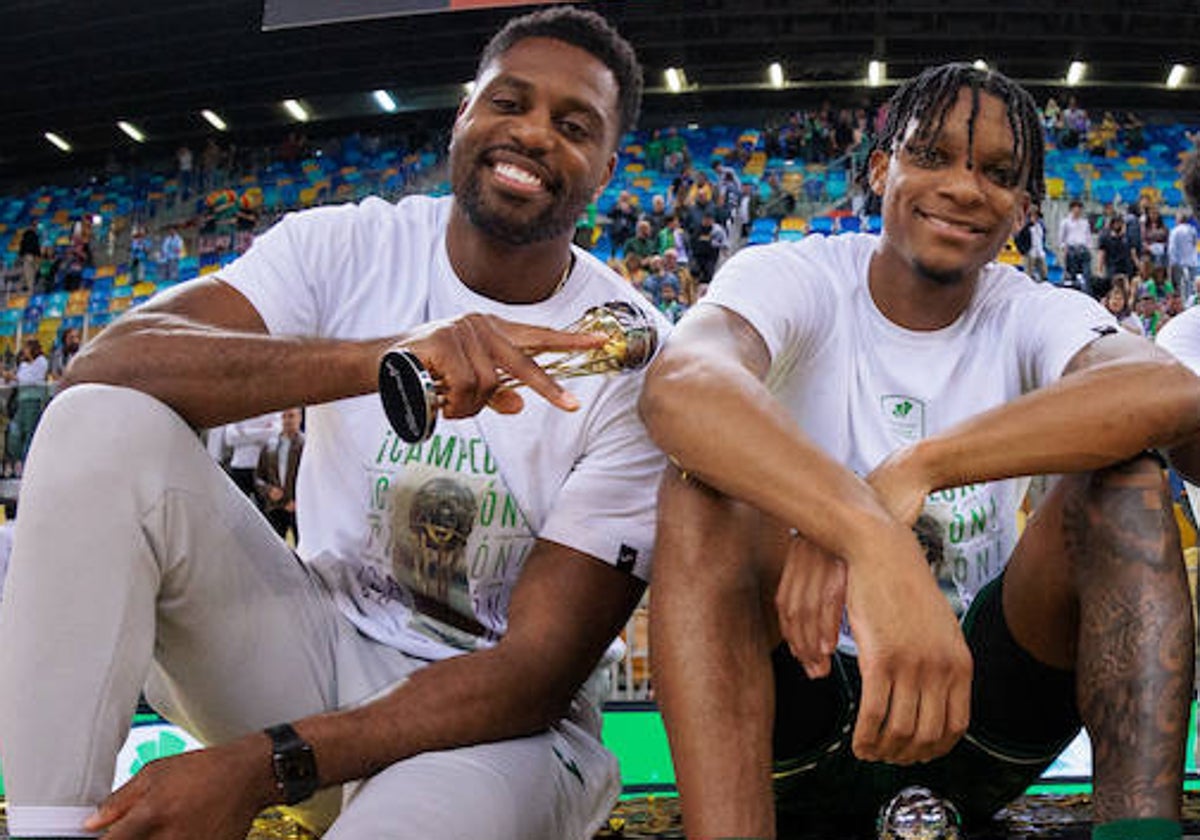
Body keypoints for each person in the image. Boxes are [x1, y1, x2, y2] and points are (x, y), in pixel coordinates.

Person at [0, 8, 665, 840]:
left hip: (508, 733)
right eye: (509, 102)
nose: (532, 134)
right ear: (464, 114)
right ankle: (47, 829)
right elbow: (104, 363)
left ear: (606, 167)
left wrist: (261, 762)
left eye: (574, 126)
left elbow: (532, 676)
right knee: (98, 423)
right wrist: (386, 358)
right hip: (316, 655)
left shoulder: (631, 354)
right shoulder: (348, 245)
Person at [639, 63, 1199, 840]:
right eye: (932, 156)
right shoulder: (793, 275)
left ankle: (1140, 834)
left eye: (998, 173)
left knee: (1127, 481)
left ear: (1025, 209)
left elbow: (1167, 392)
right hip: (793, 699)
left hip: (974, 705)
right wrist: (864, 534)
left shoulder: (1031, 309)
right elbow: (680, 389)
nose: (966, 189)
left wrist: (916, 468)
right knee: (702, 490)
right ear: (880, 170)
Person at [254, 407, 305, 541]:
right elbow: (258, 478)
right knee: (273, 550)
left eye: (291, 416)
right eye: (284, 416)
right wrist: (269, 490)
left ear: (299, 418)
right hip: (275, 507)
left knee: (302, 552)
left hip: (299, 508)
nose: (288, 420)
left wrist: (299, 501)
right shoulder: (270, 445)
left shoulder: (307, 445)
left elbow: (313, 480)